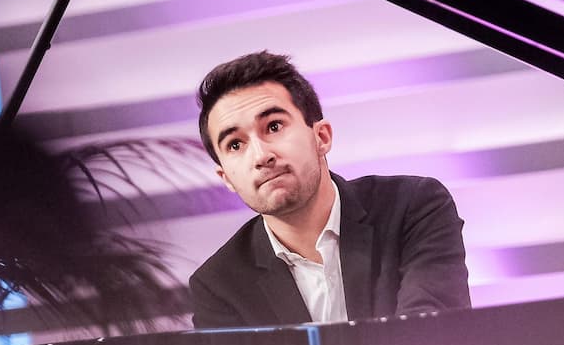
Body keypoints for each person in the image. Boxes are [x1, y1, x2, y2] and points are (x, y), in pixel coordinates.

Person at [187, 50, 471, 328]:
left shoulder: (414, 207)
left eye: (274, 126)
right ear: (226, 177)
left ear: (321, 136)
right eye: (235, 144)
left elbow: (431, 339)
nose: (261, 156)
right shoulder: (218, 285)